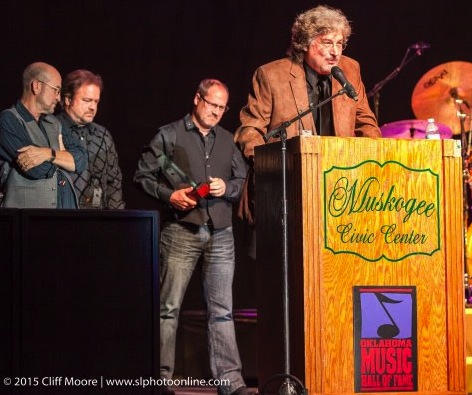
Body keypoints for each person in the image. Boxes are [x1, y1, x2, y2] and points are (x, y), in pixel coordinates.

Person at [134, 79, 249, 395]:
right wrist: (169, 196)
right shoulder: (169, 134)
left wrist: (228, 188)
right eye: (212, 104)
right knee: (168, 307)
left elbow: (241, 179)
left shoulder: (227, 139)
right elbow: (142, 176)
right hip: (181, 230)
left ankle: (231, 382)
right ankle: (160, 379)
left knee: (222, 310)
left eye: (222, 108)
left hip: (221, 232)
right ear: (197, 99)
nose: (216, 112)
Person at [235, 4, 381, 224]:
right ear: (306, 42)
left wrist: (371, 162)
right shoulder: (271, 75)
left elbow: (366, 123)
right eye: (327, 43)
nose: (336, 52)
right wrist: (272, 166)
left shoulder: (350, 69)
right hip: (287, 187)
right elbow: (250, 129)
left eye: (340, 43)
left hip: (339, 186)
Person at [0, 62, 87, 208]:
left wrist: (48, 154)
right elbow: (36, 169)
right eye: (56, 90)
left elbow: (81, 159)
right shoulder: (8, 120)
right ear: (36, 86)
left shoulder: (54, 122)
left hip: (65, 210)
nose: (58, 98)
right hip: (32, 216)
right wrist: (64, 157)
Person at [55, 69, 125, 209]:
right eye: (87, 100)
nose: (93, 107)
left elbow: (114, 181)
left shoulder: (102, 135)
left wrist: (116, 220)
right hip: (62, 218)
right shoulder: (52, 129)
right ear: (68, 99)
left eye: (96, 101)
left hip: (97, 219)